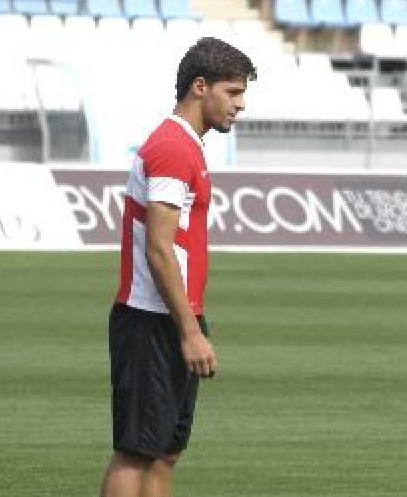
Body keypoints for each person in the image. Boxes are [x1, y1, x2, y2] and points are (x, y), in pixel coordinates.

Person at [100, 38, 255, 497]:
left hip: (174, 314)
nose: (240, 105)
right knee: (137, 450)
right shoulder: (171, 147)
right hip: (152, 317)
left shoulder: (187, 145)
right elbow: (160, 249)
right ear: (200, 86)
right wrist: (190, 331)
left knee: (166, 449)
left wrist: (189, 322)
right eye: (233, 92)